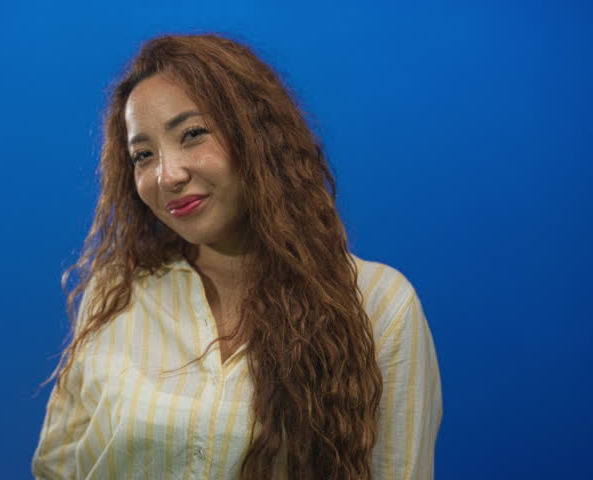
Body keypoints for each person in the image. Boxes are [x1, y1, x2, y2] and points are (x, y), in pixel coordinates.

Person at [32, 33, 442, 480]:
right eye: (143, 155)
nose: (167, 175)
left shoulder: (380, 305)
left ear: (257, 136)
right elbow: (58, 468)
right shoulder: (115, 295)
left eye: (192, 134)